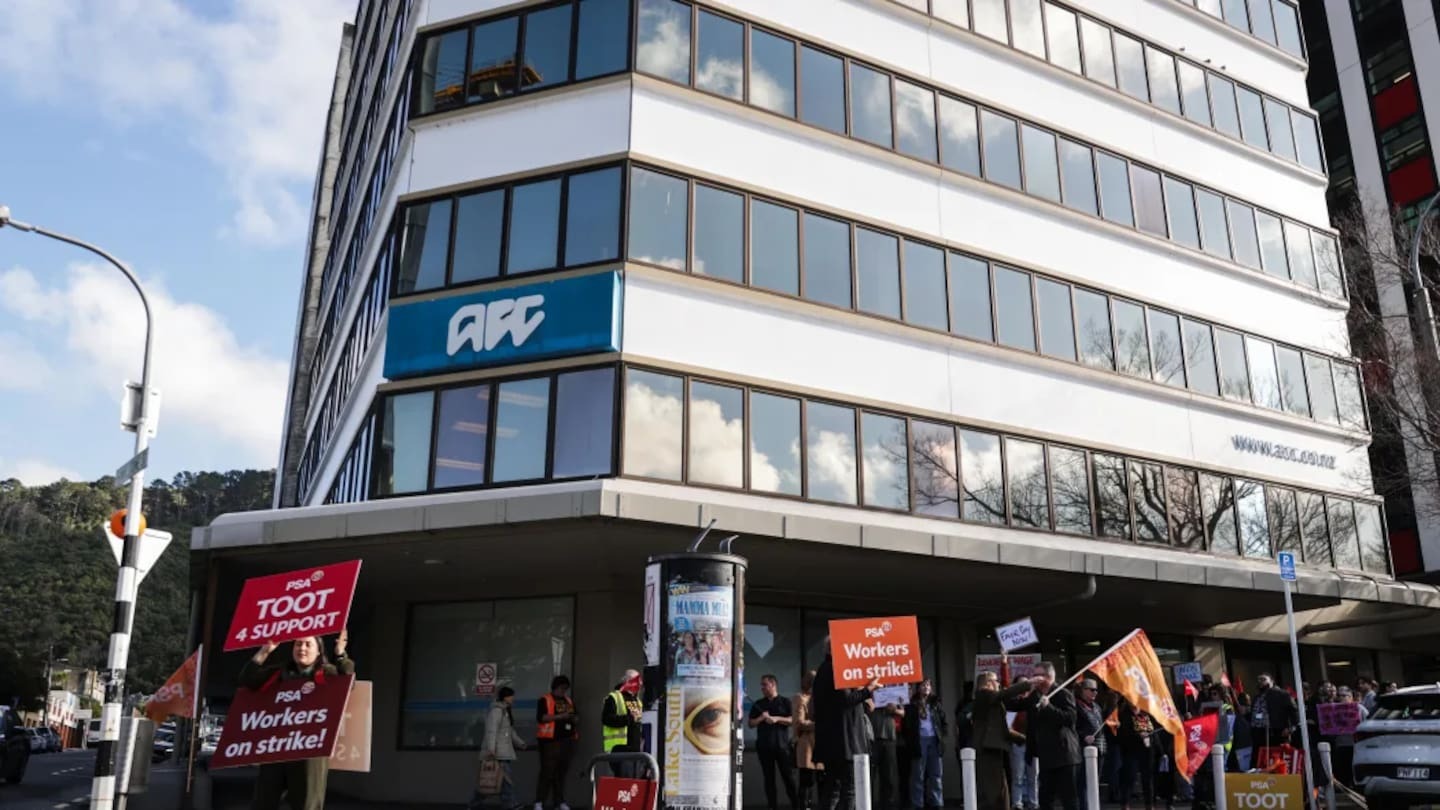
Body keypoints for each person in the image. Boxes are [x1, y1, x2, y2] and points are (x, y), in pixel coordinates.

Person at [241, 631, 354, 810]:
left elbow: (348, 681)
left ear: (318, 651)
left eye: (308, 644)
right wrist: (265, 651)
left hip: (310, 750)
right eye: (298, 644)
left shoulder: (327, 673)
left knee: (307, 803)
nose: (302, 648)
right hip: (277, 746)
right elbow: (248, 680)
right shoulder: (279, 673)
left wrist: (340, 653)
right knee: (263, 800)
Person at [813, 651, 879, 810]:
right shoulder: (837, 668)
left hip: (833, 742)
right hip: (845, 742)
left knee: (832, 789)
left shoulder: (823, 669)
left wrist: (862, 692)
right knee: (848, 789)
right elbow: (846, 700)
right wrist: (868, 689)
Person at [971, 664, 1034, 810]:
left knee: (1001, 788)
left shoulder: (993, 701)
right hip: (986, 748)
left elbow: (1004, 730)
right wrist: (1028, 684)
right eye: (995, 680)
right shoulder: (983, 695)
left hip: (994, 747)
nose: (998, 684)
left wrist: (1024, 738)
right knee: (991, 790)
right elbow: (1003, 694)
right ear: (987, 683)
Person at [1018, 663, 1079, 810]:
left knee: (1069, 799)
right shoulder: (1035, 696)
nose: (1035, 678)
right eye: (1034, 675)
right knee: (1045, 799)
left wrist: (1049, 707)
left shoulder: (1063, 693)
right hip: (1046, 755)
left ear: (1049, 677)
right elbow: (1015, 704)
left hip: (1064, 755)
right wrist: (1022, 686)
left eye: (1039, 675)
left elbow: (1070, 719)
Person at [751, 675, 799, 810]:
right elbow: (751, 723)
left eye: (764, 685)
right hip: (764, 747)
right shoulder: (759, 703)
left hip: (782, 747)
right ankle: (772, 807)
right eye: (761, 685)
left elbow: (793, 720)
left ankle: (796, 805)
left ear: (773, 685)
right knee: (769, 779)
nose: (762, 688)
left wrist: (777, 719)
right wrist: (761, 718)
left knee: (788, 778)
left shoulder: (785, 702)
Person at [478, 687, 529, 810]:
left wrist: (520, 743)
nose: (513, 699)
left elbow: (510, 731)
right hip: (498, 754)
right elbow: (491, 731)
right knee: (504, 781)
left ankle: (476, 803)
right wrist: (491, 750)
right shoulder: (496, 711)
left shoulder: (505, 711)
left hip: (503, 752)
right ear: (505, 697)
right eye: (511, 696)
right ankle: (510, 804)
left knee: (494, 782)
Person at [901, 679, 947, 810]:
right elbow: (906, 725)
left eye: (928, 685)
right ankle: (918, 804)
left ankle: (937, 802)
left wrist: (942, 735)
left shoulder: (935, 703)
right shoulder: (912, 704)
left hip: (934, 740)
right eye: (923, 685)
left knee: (936, 773)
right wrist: (910, 740)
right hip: (919, 740)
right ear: (918, 688)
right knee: (918, 774)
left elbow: (943, 721)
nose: (926, 687)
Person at [535, 675, 577, 810]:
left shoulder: (568, 700)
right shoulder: (545, 699)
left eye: (565, 689)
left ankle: (559, 802)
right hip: (550, 741)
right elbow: (541, 717)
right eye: (562, 688)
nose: (563, 691)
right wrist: (560, 716)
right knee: (547, 772)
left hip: (567, 739)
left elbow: (575, 714)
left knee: (561, 773)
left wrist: (574, 718)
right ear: (555, 687)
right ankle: (539, 801)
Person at [1249, 675, 1297, 768]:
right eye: (1259, 680)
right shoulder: (1257, 697)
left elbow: (1293, 711)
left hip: (1275, 731)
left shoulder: (1281, 694)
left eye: (1263, 679)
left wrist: (1291, 727)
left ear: (1272, 681)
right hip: (1258, 732)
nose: (1260, 682)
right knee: (1259, 758)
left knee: (1276, 758)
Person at [602, 670, 644, 777]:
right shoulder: (614, 697)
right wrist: (629, 718)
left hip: (636, 749)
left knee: (634, 782)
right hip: (620, 748)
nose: (639, 684)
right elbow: (607, 719)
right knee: (624, 781)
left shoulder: (637, 700)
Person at [1116, 700, 1157, 810]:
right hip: (1131, 751)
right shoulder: (1124, 714)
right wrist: (1138, 736)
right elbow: (1121, 735)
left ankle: (1150, 804)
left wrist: (1160, 750)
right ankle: (1125, 804)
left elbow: (1154, 732)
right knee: (1129, 777)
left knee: (1148, 779)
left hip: (1147, 751)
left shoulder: (1146, 714)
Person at [1073, 680, 1105, 807]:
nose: (1095, 693)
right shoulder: (1076, 705)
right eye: (1092, 690)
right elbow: (1072, 727)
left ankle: (1094, 805)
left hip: (1099, 748)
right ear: (1083, 690)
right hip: (1083, 749)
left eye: (1096, 690)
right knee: (1083, 782)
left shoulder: (1097, 707)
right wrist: (1083, 736)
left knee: (1095, 781)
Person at [795, 671, 824, 810]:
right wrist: (820, 724)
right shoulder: (800, 698)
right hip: (807, 745)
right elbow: (799, 723)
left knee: (823, 781)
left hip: (821, 744)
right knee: (807, 781)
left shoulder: (821, 697)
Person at [869, 694, 902, 810]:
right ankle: (868, 805)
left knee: (888, 777)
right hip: (872, 739)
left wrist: (894, 709)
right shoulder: (869, 692)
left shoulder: (893, 693)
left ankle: (887, 806)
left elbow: (903, 713)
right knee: (870, 776)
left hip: (889, 739)